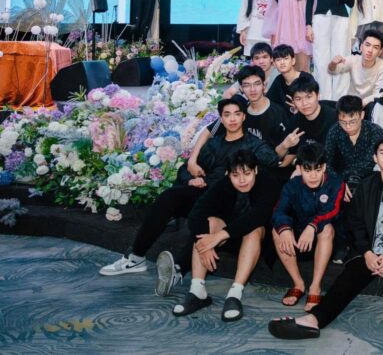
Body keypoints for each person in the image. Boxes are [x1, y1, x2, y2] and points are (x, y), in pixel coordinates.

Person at [99, 97, 278, 292]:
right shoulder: (214, 144)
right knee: (169, 197)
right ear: (221, 119)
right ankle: (136, 256)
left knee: (207, 219)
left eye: (237, 114)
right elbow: (185, 169)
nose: (232, 119)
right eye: (227, 115)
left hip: (232, 201)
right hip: (205, 191)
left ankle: (178, 269)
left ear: (244, 117)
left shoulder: (255, 145)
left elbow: (274, 161)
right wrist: (191, 179)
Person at [268, 136, 383, 344]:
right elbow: (355, 223)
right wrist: (367, 252)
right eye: (382, 153)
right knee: (347, 280)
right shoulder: (366, 186)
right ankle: (313, 319)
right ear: (375, 158)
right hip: (368, 250)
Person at [172, 149, 278, 322]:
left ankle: (235, 294)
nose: (242, 180)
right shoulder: (223, 184)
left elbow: (258, 216)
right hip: (229, 235)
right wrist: (204, 245)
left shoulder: (268, 182)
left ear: (256, 170)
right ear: (228, 174)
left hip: (257, 240)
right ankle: (197, 291)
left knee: (255, 229)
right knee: (208, 224)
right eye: (235, 175)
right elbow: (197, 212)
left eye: (247, 174)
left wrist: (219, 236)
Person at [271, 142, 345, 311]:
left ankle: (315, 287)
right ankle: (298, 283)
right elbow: (279, 210)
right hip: (299, 240)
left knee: (327, 229)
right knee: (278, 230)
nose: (313, 176)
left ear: (324, 167)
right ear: (299, 169)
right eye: (307, 170)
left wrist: (312, 226)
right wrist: (285, 229)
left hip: (328, 243)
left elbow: (332, 210)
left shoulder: (336, 183)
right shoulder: (292, 185)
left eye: (317, 170)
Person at [188, 65, 293, 184]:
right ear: (241, 89)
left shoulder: (278, 113)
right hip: (239, 171)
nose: (252, 89)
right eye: (247, 85)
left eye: (257, 84)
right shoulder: (239, 111)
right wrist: (192, 160)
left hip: (267, 169)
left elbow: (287, 149)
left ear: (264, 85)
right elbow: (208, 131)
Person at [305, 0, 355, 100]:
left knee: (340, 60)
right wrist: (308, 25)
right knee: (321, 61)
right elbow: (309, 2)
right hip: (320, 20)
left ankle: (339, 101)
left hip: (341, 21)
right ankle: (323, 100)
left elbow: (351, 3)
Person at [325, 95, 383, 195]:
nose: (348, 127)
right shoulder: (334, 131)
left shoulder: (375, 131)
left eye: (352, 122)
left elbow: (368, 164)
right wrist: (338, 183)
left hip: (369, 182)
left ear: (362, 115)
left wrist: (347, 179)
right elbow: (327, 161)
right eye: (343, 122)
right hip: (339, 181)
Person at [327, 29, 383, 115]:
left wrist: (363, 102)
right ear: (361, 47)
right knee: (326, 105)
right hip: (352, 103)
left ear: (379, 52)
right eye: (367, 45)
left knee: (375, 107)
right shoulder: (353, 60)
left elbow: (378, 93)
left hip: (369, 105)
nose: (370, 50)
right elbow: (333, 71)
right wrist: (333, 63)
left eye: (375, 47)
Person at [285, 76, 338, 165]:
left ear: (318, 96)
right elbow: (292, 153)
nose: (304, 103)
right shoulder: (293, 122)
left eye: (309, 97)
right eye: (298, 99)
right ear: (293, 102)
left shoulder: (335, 119)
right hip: (306, 167)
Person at [266, 44, 315, 109]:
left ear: (293, 61)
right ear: (274, 64)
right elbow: (269, 101)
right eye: (278, 60)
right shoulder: (278, 80)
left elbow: (312, 102)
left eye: (286, 58)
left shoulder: (306, 78)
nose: (282, 62)